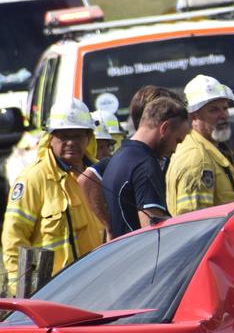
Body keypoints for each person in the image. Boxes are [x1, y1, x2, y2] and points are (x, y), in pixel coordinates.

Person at [2, 99, 104, 287]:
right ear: (51, 138)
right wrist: (24, 291)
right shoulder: (33, 179)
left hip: (99, 282)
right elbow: (13, 239)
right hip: (53, 291)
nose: (71, 143)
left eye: (78, 136)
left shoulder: (99, 174)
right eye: (64, 136)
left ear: (89, 137)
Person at [102, 96, 190, 238]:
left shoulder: (119, 156)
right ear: (165, 128)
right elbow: (153, 231)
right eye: (178, 141)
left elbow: (88, 178)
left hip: (120, 254)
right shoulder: (145, 165)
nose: (176, 149)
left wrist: (109, 229)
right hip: (140, 256)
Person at [166, 75, 234, 215]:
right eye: (213, 110)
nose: (223, 115)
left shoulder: (213, 150)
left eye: (225, 108)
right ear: (194, 117)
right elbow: (194, 222)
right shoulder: (197, 159)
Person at [77, 111, 124, 240]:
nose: (105, 153)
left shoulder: (108, 174)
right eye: (99, 147)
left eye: (107, 147)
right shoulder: (75, 176)